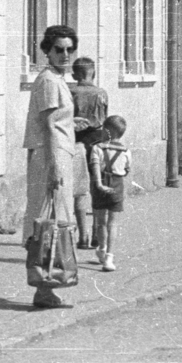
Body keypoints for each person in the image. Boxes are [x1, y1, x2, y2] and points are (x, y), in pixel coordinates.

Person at [24, 25, 79, 309]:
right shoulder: (48, 80)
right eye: (59, 49)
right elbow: (47, 126)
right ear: (47, 50)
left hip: (58, 154)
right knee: (48, 224)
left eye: (70, 49)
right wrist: (54, 167)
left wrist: (72, 125)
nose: (65, 54)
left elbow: (57, 121)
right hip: (51, 156)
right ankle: (43, 289)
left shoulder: (57, 79)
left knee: (54, 222)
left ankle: (47, 287)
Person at [68, 56, 108, 250]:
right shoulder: (101, 93)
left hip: (76, 140)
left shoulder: (70, 91)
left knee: (79, 190)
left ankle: (82, 236)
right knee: (96, 186)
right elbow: (104, 118)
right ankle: (96, 235)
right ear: (94, 73)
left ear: (75, 74)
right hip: (97, 139)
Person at [90, 115, 131, 272]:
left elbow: (95, 169)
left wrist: (100, 185)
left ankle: (101, 248)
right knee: (112, 222)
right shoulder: (126, 151)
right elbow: (127, 169)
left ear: (106, 131)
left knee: (100, 221)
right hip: (117, 185)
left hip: (100, 186)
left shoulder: (97, 148)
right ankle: (109, 257)